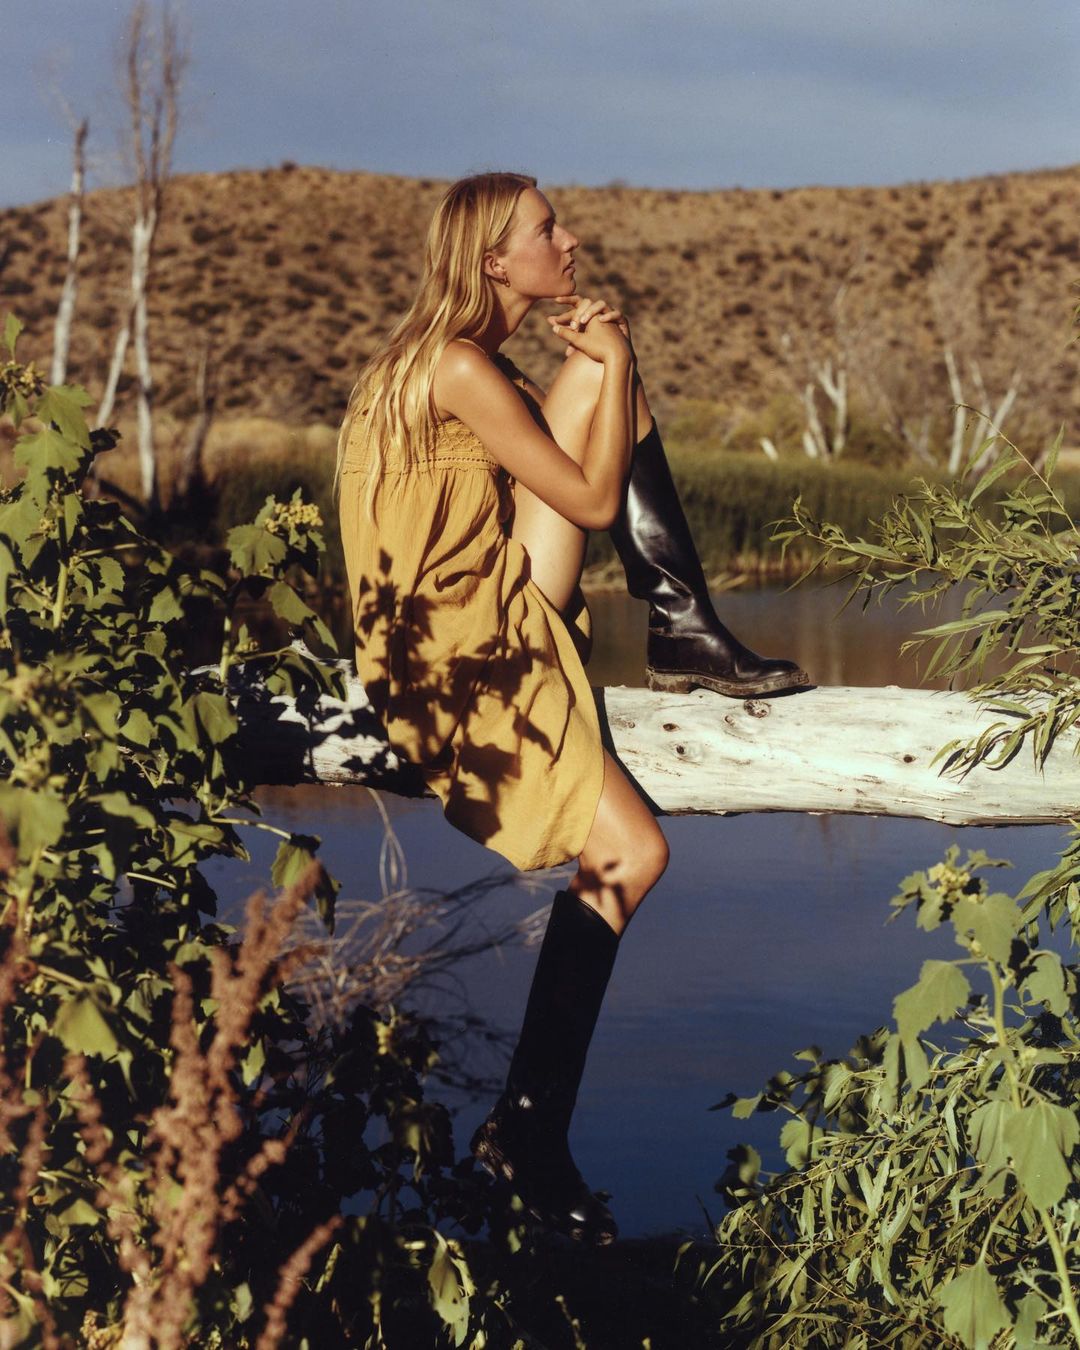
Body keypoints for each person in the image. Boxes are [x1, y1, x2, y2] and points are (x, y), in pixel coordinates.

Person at [336, 172, 807, 1245]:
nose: (571, 238)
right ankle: (529, 1129)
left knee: (597, 378)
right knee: (632, 852)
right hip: (461, 658)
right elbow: (590, 502)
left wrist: (608, 367)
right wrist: (622, 355)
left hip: (478, 615)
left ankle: (682, 620)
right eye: (548, 229)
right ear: (495, 261)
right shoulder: (457, 367)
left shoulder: (449, 360)